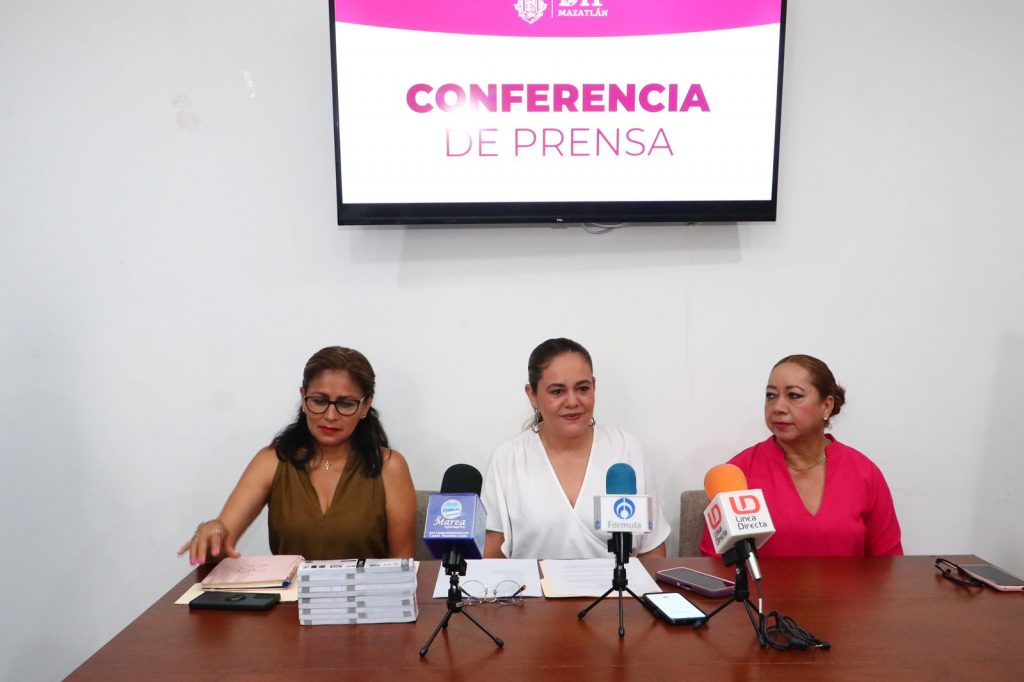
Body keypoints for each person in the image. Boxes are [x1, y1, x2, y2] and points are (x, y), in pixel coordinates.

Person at [178, 347, 416, 563]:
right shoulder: (271, 461)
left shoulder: (390, 466)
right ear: (303, 398)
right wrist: (211, 533)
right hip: (290, 596)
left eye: (345, 404)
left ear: (365, 406)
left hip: (367, 596)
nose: (330, 416)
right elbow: (221, 542)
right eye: (319, 401)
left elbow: (403, 565)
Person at [481, 338, 670, 559]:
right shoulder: (508, 458)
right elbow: (492, 558)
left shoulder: (626, 449)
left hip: (617, 582)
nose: (572, 402)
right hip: (534, 583)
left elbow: (652, 552)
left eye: (582, 388)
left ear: (594, 386)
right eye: (557, 391)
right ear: (532, 395)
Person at [700, 354, 902, 557]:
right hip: (762, 581)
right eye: (771, 395)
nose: (778, 408)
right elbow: (714, 564)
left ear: (826, 406)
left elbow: (889, 563)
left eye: (794, 395)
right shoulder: (737, 475)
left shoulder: (864, 473)